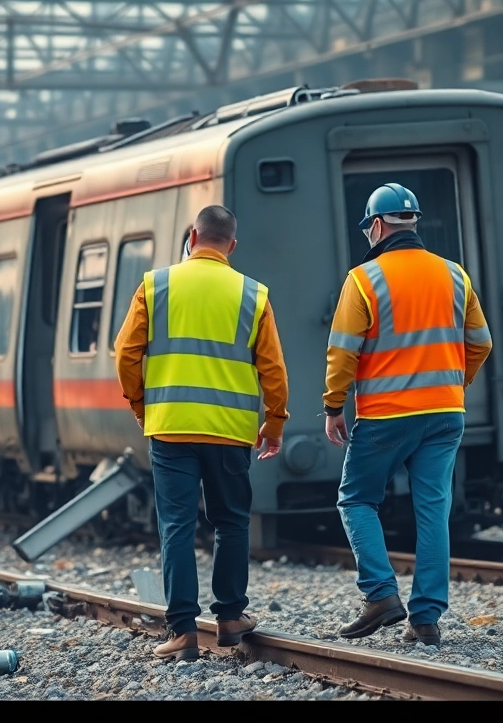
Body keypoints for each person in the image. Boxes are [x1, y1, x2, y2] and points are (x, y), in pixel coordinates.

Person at [114, 204, 289, 661]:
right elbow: (272, 368)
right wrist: (274, 422)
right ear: (231, 245)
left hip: (171, 426)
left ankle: (182, 632)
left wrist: (140, 404)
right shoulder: (253, 293)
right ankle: (230, 618)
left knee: (176, 526)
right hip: (230, 431)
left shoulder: (156, 285)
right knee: (230, 523)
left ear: (193, 237)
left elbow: (126, 353)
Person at [322, 183, 491, 647]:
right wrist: (455, 384)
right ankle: (426, 618)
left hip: (386, 415)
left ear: (377, 226)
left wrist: (334, 406)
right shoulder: (456, 275)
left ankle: (380, 594)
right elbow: (481, 342)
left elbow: (342, 353)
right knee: (433, 510)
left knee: (355, 499)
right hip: (445, 413)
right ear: (412, 223)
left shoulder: (364, 279)